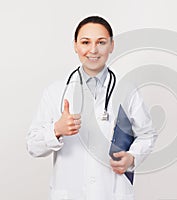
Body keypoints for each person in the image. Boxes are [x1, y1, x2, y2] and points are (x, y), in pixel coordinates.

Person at [27, 15, 157, 200]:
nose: (93, 50)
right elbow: (33, 146)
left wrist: (132, 157)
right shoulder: (56, 91)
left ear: (111, 45)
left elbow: (147, 134)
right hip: (69, 192)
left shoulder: (126, 90)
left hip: (111, 191)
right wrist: (56, 130)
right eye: (85, 42)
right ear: (75, 45)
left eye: (101, 42)